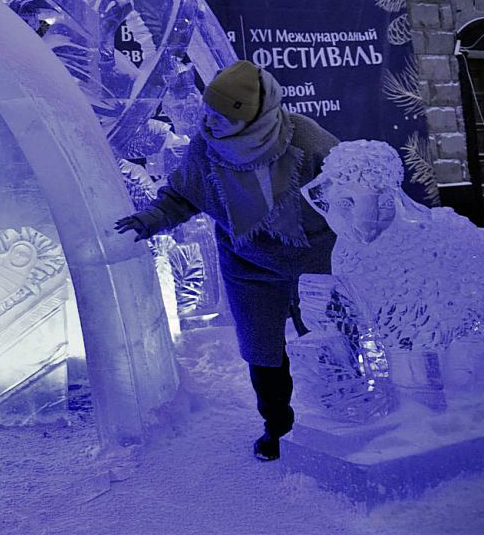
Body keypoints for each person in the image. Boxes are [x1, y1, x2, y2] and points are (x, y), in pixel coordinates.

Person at [115, 60, 338, 461]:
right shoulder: (207, 146)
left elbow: (352, 190)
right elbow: (183, 194)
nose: (209, 121)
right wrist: (151, 218)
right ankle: (278, 427)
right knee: (262, 349)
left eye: (222, 115)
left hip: (316, 261)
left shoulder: (306, 139)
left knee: (330, 340)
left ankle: (342, 417)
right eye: (208, 111)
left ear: (251, 115)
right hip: (248, 261)